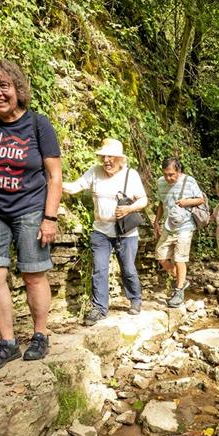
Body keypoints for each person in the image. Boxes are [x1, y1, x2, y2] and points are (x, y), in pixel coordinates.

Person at [0, 59, 63, 374]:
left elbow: (54, 176)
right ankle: (7, 343)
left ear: (18, 90)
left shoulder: (38, 124)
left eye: (3, 86)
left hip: (31, 208)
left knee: (33, 273)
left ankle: (40, 334)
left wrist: (50, 218)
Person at [63, 138, 148, 325]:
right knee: (99, 269)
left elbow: (143, 200)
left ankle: (135, 299)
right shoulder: (95, 171)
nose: (107, 160)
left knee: (127, 268)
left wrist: (129, 209)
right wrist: (55, 182)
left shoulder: (130, 175)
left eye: (111, 157)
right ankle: (99, 309)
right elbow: (75, 187)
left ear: (120, 159)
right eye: (104, 157)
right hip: (101, 230)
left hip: (125, 232)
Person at [154, 157, 204, 308]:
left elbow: (201, 199)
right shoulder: (160, 182)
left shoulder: (189, 181)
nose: (168, 178)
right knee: (160, 255)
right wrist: (156, 221)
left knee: (179, 258)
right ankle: (181, 279)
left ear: (179, 171)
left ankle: (179, 290)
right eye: (165, 174)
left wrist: (186, 202)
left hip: (185, 225)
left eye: (171, 175)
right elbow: (161, 203)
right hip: (169, 226)